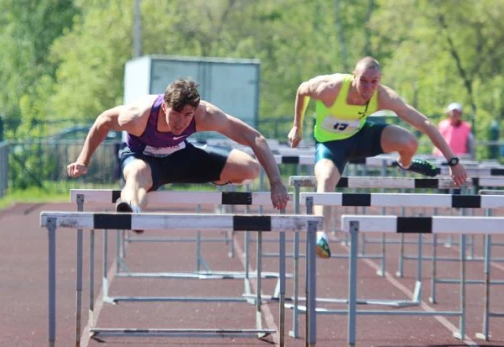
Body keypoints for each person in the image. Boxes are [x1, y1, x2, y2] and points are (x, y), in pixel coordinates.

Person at [287, 56, 468, 259]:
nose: (368, 88)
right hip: (331, 145)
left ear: (380, 80)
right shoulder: (331, 88)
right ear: (353, 76)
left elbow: (423, 122)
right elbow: (302, 89)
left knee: (410, 142)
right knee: (326, 178)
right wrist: (297, 125)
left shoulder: (383, 96)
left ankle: (405, 164)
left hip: (361, 137)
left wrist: (453, 161)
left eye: (374, 82)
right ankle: (322, 235)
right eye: (363, 80)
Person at [67, 79, 290, 230]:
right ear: (164, 106)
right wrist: (82, 160)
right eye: (176, 114)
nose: (181, 122)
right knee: (136, 174)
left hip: (179, 156)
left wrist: (276, 181)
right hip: (142, 159)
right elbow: (103, 121)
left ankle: (218, 177)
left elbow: (255, 138)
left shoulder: (205, 115)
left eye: (187, 115)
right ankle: (132, 210)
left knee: (250, 168)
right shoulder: (138, 116)